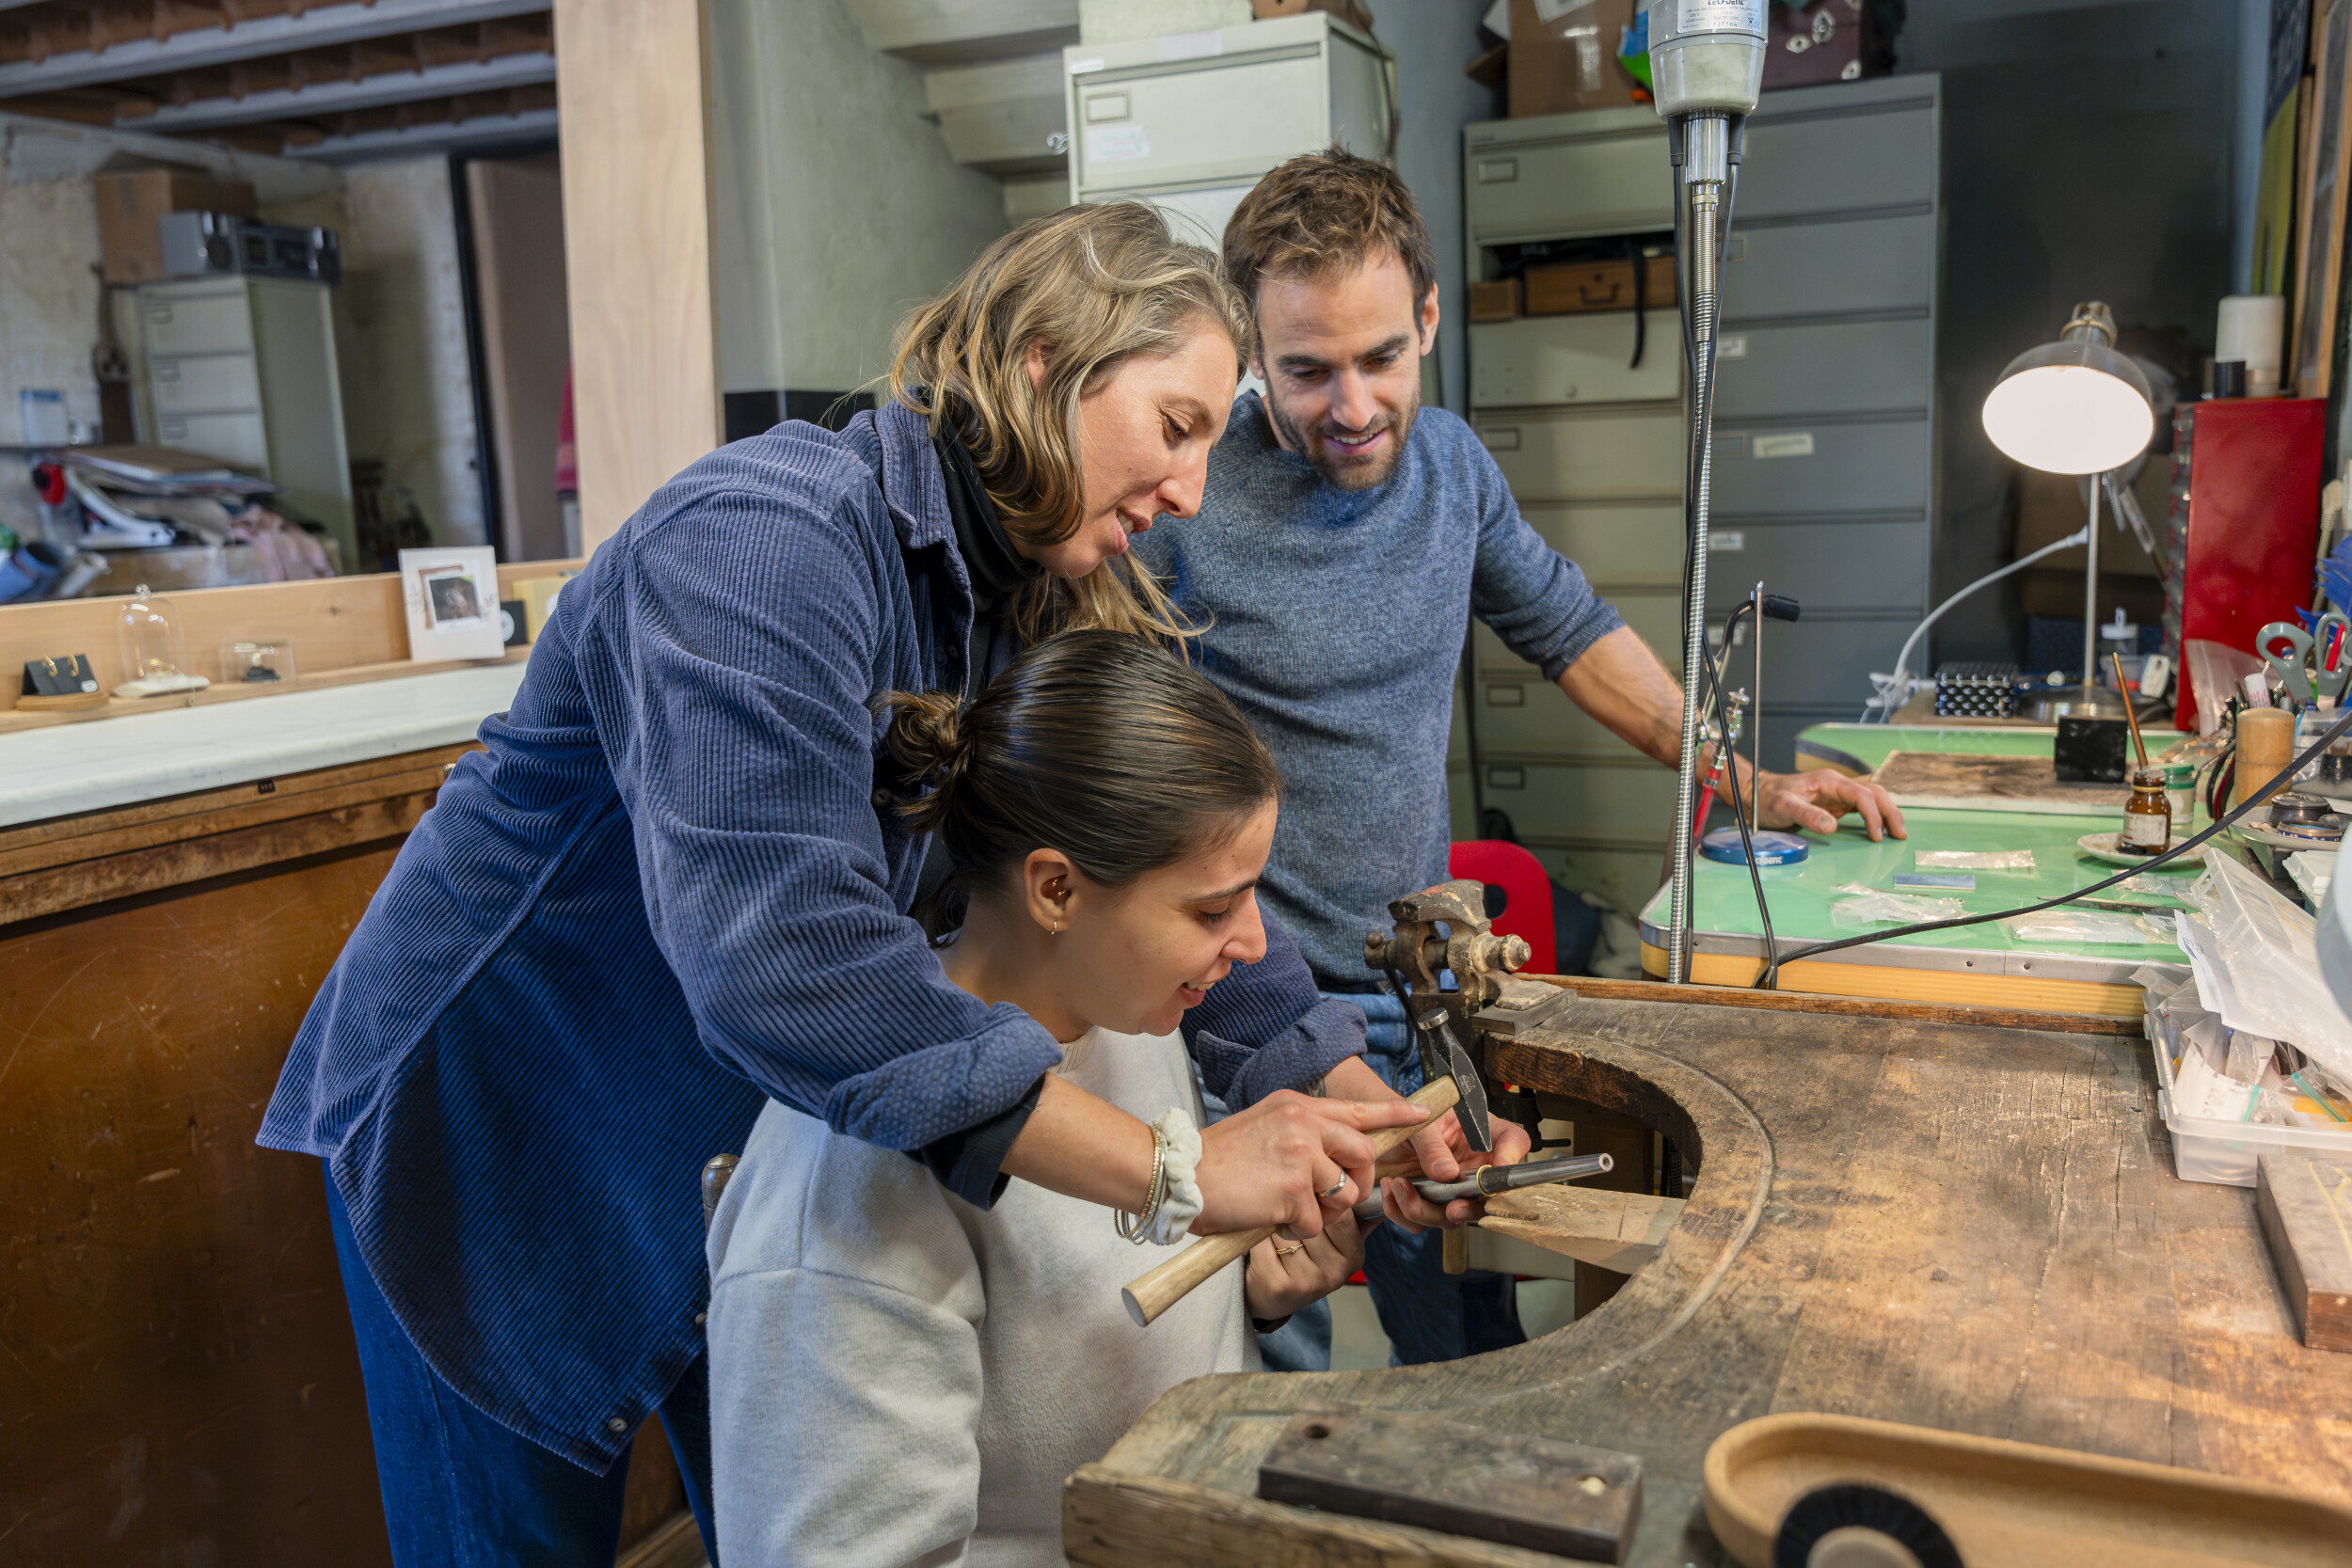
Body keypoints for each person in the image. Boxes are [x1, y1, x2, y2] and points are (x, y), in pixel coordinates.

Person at [258, 202, 1463, 1567]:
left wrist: (1331, 1083)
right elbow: (786, 954)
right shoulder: (765, 543)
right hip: (506, 1129)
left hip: (753, 1130)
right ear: (1041, 358)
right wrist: (1179, 1170)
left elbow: (1171, 862)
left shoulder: (1051, 589)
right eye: (1178, 426)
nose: (1193, 489)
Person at [1129, 148, 1907, 1370]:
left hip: (1421, 990)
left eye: (1383, 356)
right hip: (1246, 1015)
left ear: (1428, 319)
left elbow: (1571, 631)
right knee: (1257, 1361)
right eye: (1307, 369)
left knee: (1474, 1344)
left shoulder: (1452, 472)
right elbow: (1127, 780)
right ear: (1248, 350)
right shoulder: (1180, 502)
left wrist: (1741, 779)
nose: (1353, 405)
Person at [707, 630, 1465, 1568]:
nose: (1254, 945)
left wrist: (1249, 1296)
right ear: (1055, 887)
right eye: (1210, 908)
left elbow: (1067, 1332)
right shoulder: (851, 1189)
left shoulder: (1120, 1022)